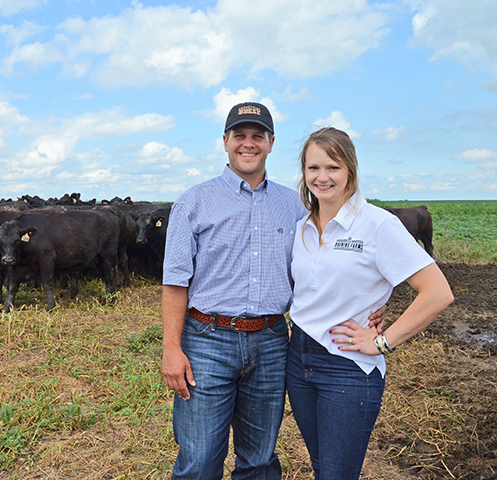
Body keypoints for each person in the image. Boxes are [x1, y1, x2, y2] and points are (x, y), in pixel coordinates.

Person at [161, 104, 384, 479]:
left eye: (257, 136)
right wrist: (171, 349)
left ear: (270, 143)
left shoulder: (296, 205)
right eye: (240, 135)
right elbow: (174, 282)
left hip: (271, 341)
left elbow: (329, 265)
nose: (248, 144)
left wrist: (375, 307)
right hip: (206, 340)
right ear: (225, 142)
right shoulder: (193, 201)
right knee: (199, 459)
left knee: (260, 458)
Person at [286, 127, 454, 480]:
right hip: (298, 358)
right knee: (323, 468)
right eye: (313, 168)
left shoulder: (378, 225)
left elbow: (437, 292)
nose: (322, 177)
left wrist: (381, 340)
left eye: (333, 167)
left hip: (348, 365)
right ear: (304, 172)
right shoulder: (301, 226)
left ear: (350, 170)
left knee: (336, 474)